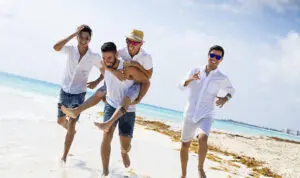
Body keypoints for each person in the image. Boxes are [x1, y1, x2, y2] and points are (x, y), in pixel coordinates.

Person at [61, 29, 153, 132]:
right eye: (129, 41)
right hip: (121, 79)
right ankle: (76, 111)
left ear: (141, 44)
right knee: (101, 92)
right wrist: (111, 73)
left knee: (127, 97)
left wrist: (135, 65)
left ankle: (108, 123)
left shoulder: (146, 58)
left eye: (135, 42)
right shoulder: (121, 52)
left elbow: (148, 77)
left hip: (137, 83)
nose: (131, 44)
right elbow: (106, 63)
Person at [179, 45, 235, 178]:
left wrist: (225, 98)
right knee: (185, 144)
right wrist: (190, 79)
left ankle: (200, 168)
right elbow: (181, 86)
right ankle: (183, 174)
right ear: (208, 55)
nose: (214, 58)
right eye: (212, 55)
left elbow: (231, 90)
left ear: (221, 59)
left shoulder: (222, 77)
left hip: (206, 114)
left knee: (203, 138)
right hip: (190, 113)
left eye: (218, 57)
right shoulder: (195, 70)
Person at [97, 42, 149, 176]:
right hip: (111, 104)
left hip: (128, 109)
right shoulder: (105, 63)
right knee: (106, 135)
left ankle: (124, 152)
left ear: (116, 55)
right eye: (104, 57)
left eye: (109, 57)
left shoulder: (127, 66)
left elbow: (146, 81)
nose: (106, 60)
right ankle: (105, 171)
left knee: (126, 145)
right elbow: (104, 67)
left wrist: (139, 99)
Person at [53, 25, 103, 163]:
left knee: (72, 125)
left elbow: (105, 70)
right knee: (60, 121)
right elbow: (56, 47)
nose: (84, 40)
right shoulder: (70, 50)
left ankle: (64, 157)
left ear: (90, 39)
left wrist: (96, 81)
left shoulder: (93, 57)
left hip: (79, 94)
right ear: (77, 37)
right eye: (81, 37)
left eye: (87, 38)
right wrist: (72, 35)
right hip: (64, 91)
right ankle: (71, 130)